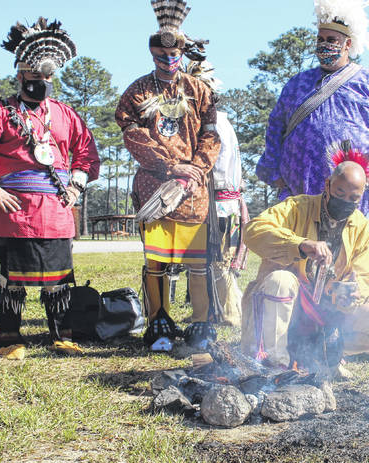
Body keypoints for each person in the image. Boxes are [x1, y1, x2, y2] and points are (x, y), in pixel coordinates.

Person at [0, 18, 100, 359]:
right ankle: (10, 337)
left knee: (60, 278)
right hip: (15, 211)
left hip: (56, 212)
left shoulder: (66, 116)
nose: (43, 83)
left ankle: (62, 334)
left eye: (48, 78)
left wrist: (76, 186)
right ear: (21, 74)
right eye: (36, 77)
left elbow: (87, 153)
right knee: (13, 279)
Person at [242, 142, 369, 377]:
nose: (345, 201)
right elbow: (252, 231)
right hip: (283, 312)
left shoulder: (363, 228)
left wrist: (352, 292)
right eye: (339, 194)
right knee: (280, 280)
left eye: (353, 198)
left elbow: (367, 276)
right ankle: (275, 365)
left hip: (328, 315)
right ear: (327, 185)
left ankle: (321, 354)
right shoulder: (296, 208)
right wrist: (299, 244)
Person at [115, 0, 221, 351]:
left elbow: (211, 135)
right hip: (155, 189)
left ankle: (201, 326)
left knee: (197, 263)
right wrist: (169, 165)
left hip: (193, 191)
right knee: (156, 261)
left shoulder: (199, 90)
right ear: (152, 53)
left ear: (181, 51)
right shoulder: (138, 91)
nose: (167, 60)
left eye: (173, 54)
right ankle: (159, 322)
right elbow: (131, 132)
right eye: (160, 54)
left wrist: (196, 169)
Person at [257, 0, 369, 237]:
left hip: (357, 194)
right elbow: (275, 127)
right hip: (301, 193)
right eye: (320, 39)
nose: (324, 45)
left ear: (348, 44)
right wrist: (273, 173)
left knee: (353, 266)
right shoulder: (297, 84)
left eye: (331, 40)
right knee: (298, 262)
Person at [185, 60, 248, 328]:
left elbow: (217, 167)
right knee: (210, 260)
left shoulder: (214, 123)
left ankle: (231, 313)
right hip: (222, 201)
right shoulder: (218, 119)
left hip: (218, 203)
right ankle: (214, 310)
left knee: (219, 260)